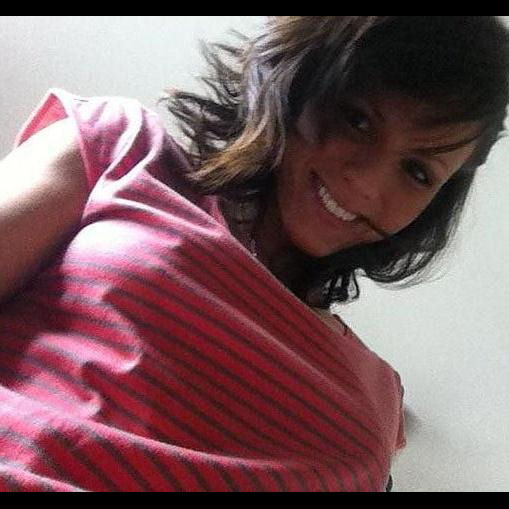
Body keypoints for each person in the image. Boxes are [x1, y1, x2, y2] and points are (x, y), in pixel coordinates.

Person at [0, 16, 507, 492]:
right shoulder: (121, 149)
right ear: (300, 80)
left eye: (417, 171)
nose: (365, 183)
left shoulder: (378, 397)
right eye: (357, 121)